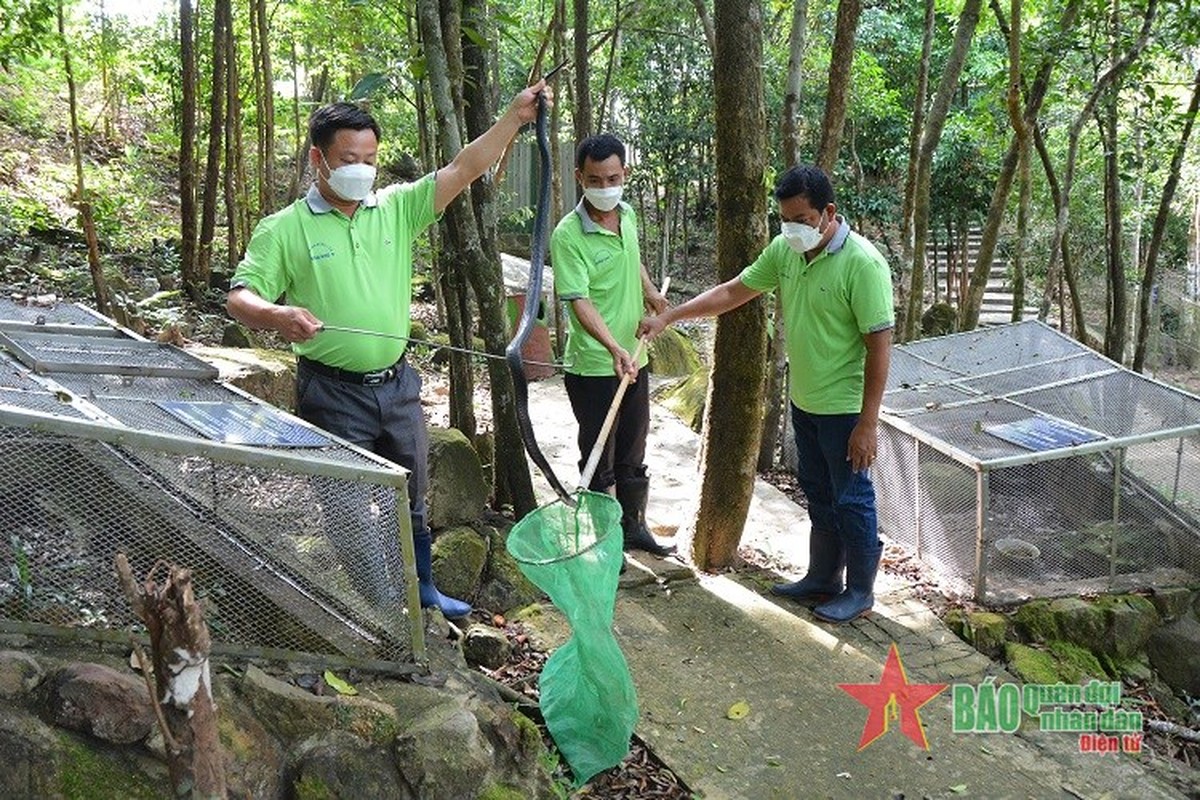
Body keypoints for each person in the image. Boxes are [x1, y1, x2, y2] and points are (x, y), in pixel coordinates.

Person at [226, 81, 550, 620]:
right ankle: (378, 608)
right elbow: (240, 296)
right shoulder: (283, 229)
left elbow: (464, 168)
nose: (361, 168)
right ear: (318, 159)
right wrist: (277, 315)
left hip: (397, 385)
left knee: (411, 494)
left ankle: (421, 593)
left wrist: (514, 118)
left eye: (370, 158)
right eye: (348, 158)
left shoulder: (396, 208)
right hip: (330, 390)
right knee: (348, 505)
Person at [638, 164, 894, 622]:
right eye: (786, 219)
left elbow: (880, 346)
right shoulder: (786, 251)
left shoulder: (864, 264)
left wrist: (868, 422)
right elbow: (733, 291)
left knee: (852, 497)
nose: (791, 228)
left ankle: (860, 590)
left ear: (827, 213)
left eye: (800, 218)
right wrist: (669, 317)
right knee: (817, 491)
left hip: (846, 410)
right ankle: (822, 577)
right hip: (806, 401)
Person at [549, 133, 675, 557]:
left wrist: (652, 293)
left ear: (625, 174)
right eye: (595, 180)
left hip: (636, 354)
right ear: (579, 177)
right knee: (599, 453)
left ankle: (634, 527)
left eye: (613, 178)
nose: (605, 188)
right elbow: (579, 300)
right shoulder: (568, 236)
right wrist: (611, 349)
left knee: (634, 446)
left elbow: (632, 258)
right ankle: (604, 544)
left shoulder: (628, 215)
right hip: (594, 366)